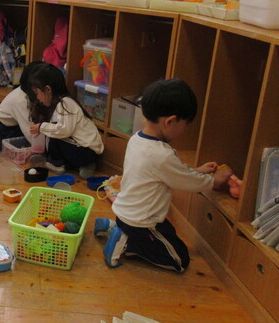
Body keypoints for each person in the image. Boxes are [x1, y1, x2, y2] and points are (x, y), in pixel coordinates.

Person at [94, 78, 232, 271]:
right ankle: (125, 242)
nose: (185, 130)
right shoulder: (162, 155)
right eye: (185, 124)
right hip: (142, 223)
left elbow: (169, 173)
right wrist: (213, 181)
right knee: (180, 260)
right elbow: (187, 181)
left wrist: (197, 171)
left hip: (127, 214)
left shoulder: (136, 139)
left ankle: (114, 227)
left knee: (169, 236)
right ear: (170, 121)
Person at [28, 63, 103, 177]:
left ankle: (57, 164)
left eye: (37, 93)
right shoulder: (61, 104)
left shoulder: (65, 103)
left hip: (86, 151)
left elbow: (63, 130)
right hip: (85, 151)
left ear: (48, 89)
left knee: (55, 135)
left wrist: (41, 127)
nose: (37, 98)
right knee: (52, 131)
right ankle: (83, 165)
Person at [0, 61, 50, 152]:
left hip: (15, 126)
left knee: (16, 143)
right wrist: (42, 149)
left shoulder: (31, 96)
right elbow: (29, 131)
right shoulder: (20, 100)